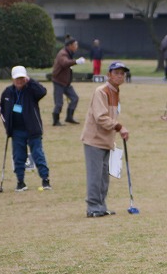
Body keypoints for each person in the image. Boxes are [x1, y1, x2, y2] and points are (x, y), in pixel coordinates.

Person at [80, 61, 130, 217]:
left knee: (103, 177)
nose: (120, 76)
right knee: (95, 176)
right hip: (94, 140)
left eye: (122, 73)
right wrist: (119, 127)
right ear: (109, 75)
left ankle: (101, 206)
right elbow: (101, 117)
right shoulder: (101, 91)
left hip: (106, 140)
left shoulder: (115, 92)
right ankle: (93, 208)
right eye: (116, 73)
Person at [0, 65, 51, 192]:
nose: (19, 81)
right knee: (18, 156)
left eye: (22, 78)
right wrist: (8, 126)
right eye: (17, 78)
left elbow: (42, 91)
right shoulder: (7, 92)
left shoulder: (31, 89)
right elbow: (1, 110)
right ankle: (20, 182)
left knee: (38, 154)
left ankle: (45, 180)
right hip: (17, 130)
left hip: (33, 129)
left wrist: (31, 81)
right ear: (13, 79)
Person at [51, 37, 85, 125]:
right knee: (59, 103)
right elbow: (65, 63)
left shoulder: (69, 53)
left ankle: (69, 117)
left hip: (66, 82)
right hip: (58, 82)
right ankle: (56, 121)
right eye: (75, 45)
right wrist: (76, 62)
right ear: (70, 46)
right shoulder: (63, 54)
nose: (77, 46)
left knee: (74, 98)